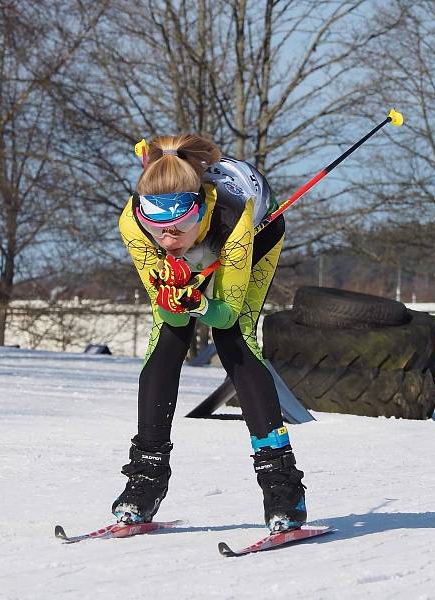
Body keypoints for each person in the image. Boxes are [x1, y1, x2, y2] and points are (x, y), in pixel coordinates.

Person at [113, 134, 305, 533]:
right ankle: (146, 478)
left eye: (177, 228)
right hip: (205, 242)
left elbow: (225, 314)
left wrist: (199, 302)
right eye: (156, 229)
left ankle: (282, 486)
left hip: (257, 232)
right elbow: (174, 318)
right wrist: (176, 298)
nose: (166, 241)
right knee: (168, 337)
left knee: (234, 340)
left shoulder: (234, 222)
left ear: (197, 211)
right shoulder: (133, 224)